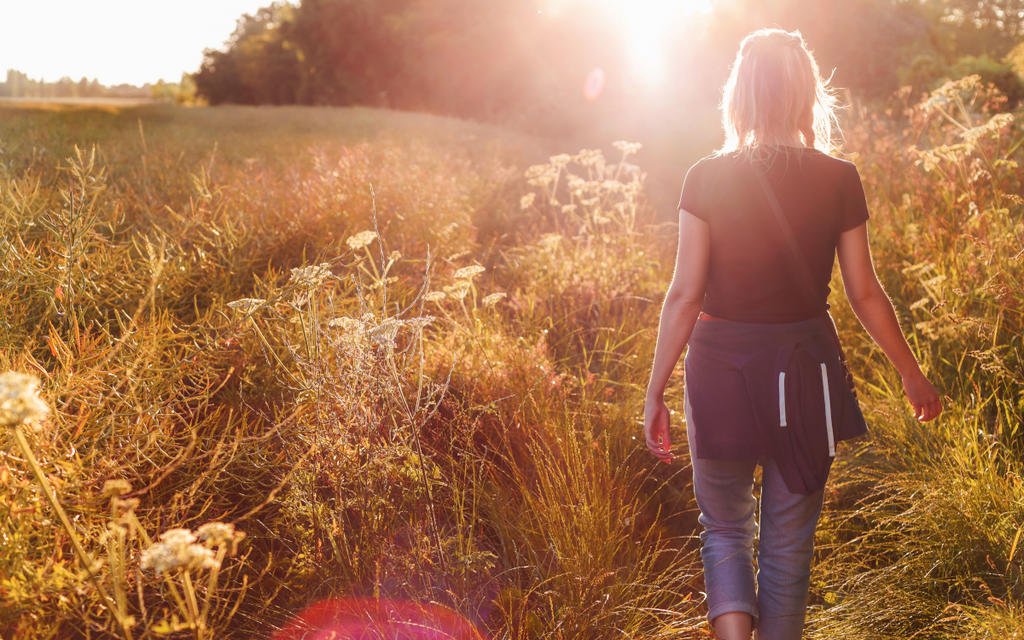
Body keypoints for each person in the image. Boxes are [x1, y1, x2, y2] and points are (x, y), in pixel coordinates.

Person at [642, 28, 942, 640]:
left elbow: (685, 294)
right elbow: (864, 292)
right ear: (805, 93)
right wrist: (911, 372)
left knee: (724, 528)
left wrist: (655, 389)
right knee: (787, 546)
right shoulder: (839, 178)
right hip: (807, 371)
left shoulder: (704, 177)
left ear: (740, 95)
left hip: (720, 369)